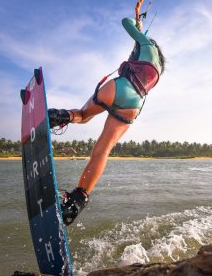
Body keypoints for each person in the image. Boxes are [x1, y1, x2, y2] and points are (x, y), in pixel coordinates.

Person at [48, 17, 165, 226]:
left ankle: (57, 117)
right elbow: (139, 38)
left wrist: (135, 20)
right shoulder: (158, 70)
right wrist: (140, 25)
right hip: (133, 105)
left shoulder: (147, 44)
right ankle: (76, 202)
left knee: (83, 116)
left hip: (120, 87)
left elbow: (125, 23)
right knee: (102, 151)